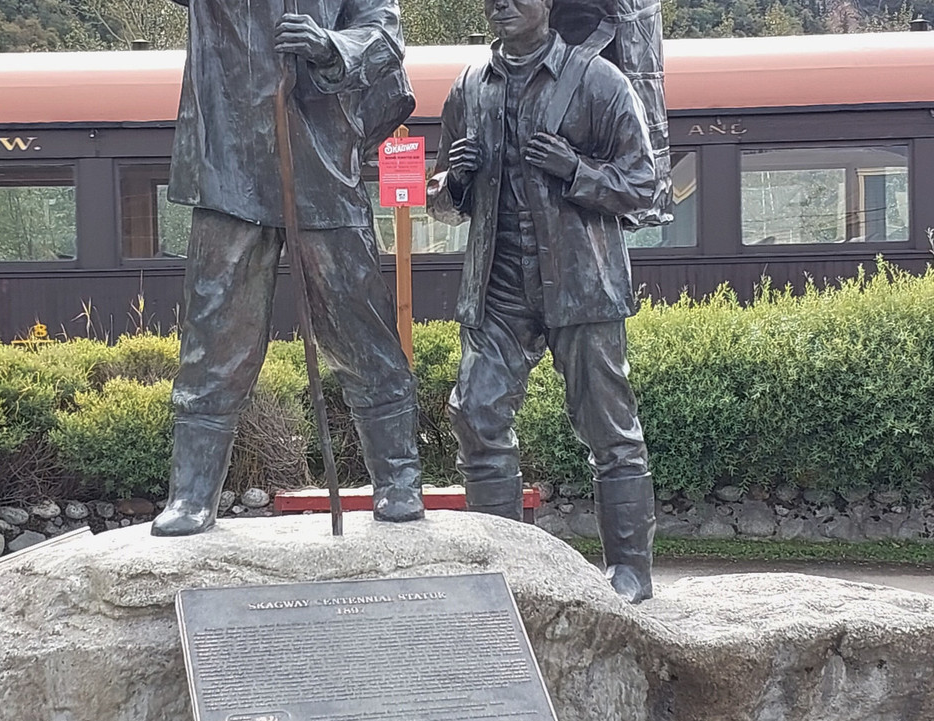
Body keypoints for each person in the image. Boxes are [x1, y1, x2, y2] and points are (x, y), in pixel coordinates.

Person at [153, 0, 424, 536]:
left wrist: (330, 45)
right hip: (228, 166)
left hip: (322, 167)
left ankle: (398, 478)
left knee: (361, 329)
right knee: (214, 336)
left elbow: (384, 35)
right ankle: (192, 493)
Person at [427, 0, 658, 602]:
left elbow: (642, 186)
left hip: (581, 285)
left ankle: (630, 571)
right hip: (497, 286)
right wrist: (453, 179)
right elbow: (441, 203)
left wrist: (576, 169)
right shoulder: (468, 89)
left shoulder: (598, 81)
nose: (500, 4)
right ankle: (504, 574)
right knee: (476, 416)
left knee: (609, 429)